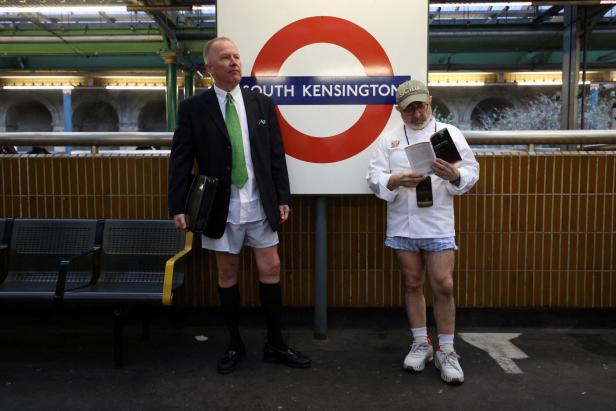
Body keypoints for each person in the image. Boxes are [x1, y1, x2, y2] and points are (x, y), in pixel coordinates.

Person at [168, 37, 310, 374]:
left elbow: (276, 154)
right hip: (220, 205)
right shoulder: (193, 109)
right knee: (227, 272)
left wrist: (283, 196)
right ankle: (234, 344)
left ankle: (276, 343)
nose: (234, 62)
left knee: (271, 268)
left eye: (236, 55)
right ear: (209, 68)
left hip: (260, 201)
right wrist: (178, 205)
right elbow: (181, 160)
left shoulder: (261, 103)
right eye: (225, 58)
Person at [366, 80, 479, 384]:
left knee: (443, 284)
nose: (416, 113)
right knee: (412, 281)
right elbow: (373, 177)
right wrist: (395, 179)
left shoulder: (448, 134)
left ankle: (446, 349)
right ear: (398, 110)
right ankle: (420, 343)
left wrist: (455, 174)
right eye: (409, 108)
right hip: (403, 221)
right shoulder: (389, 140)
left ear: (430, 101)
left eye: (421, 106)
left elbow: (471, 171)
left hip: (438, 220)